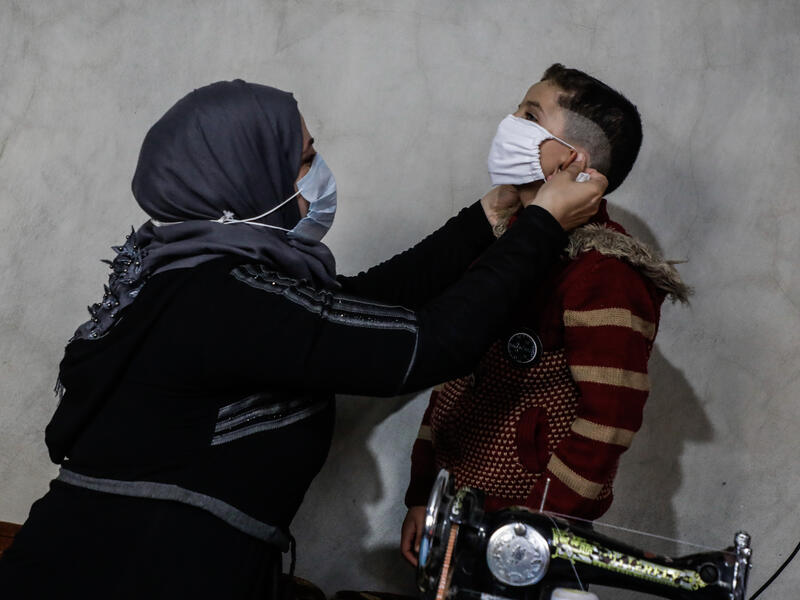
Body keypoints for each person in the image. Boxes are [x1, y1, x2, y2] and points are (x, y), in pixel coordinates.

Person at [0, 80, 606, 598]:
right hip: (131, 575)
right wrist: (541, 225)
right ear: (246, 175)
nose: (317, 174)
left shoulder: (191, 276)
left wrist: (492, 216)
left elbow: (360, 302)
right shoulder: (225, 298)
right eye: (303, 159)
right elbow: (431, 344)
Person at [401, 64, 691, 566]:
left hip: (521, 538)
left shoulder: (605, 270)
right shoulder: (501, 244)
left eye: (529, 115)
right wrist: (420, 496)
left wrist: (536, 526)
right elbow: (452, 379)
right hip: (453, 515)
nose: (510, 122)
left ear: (573, 160)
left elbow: (610, 420)